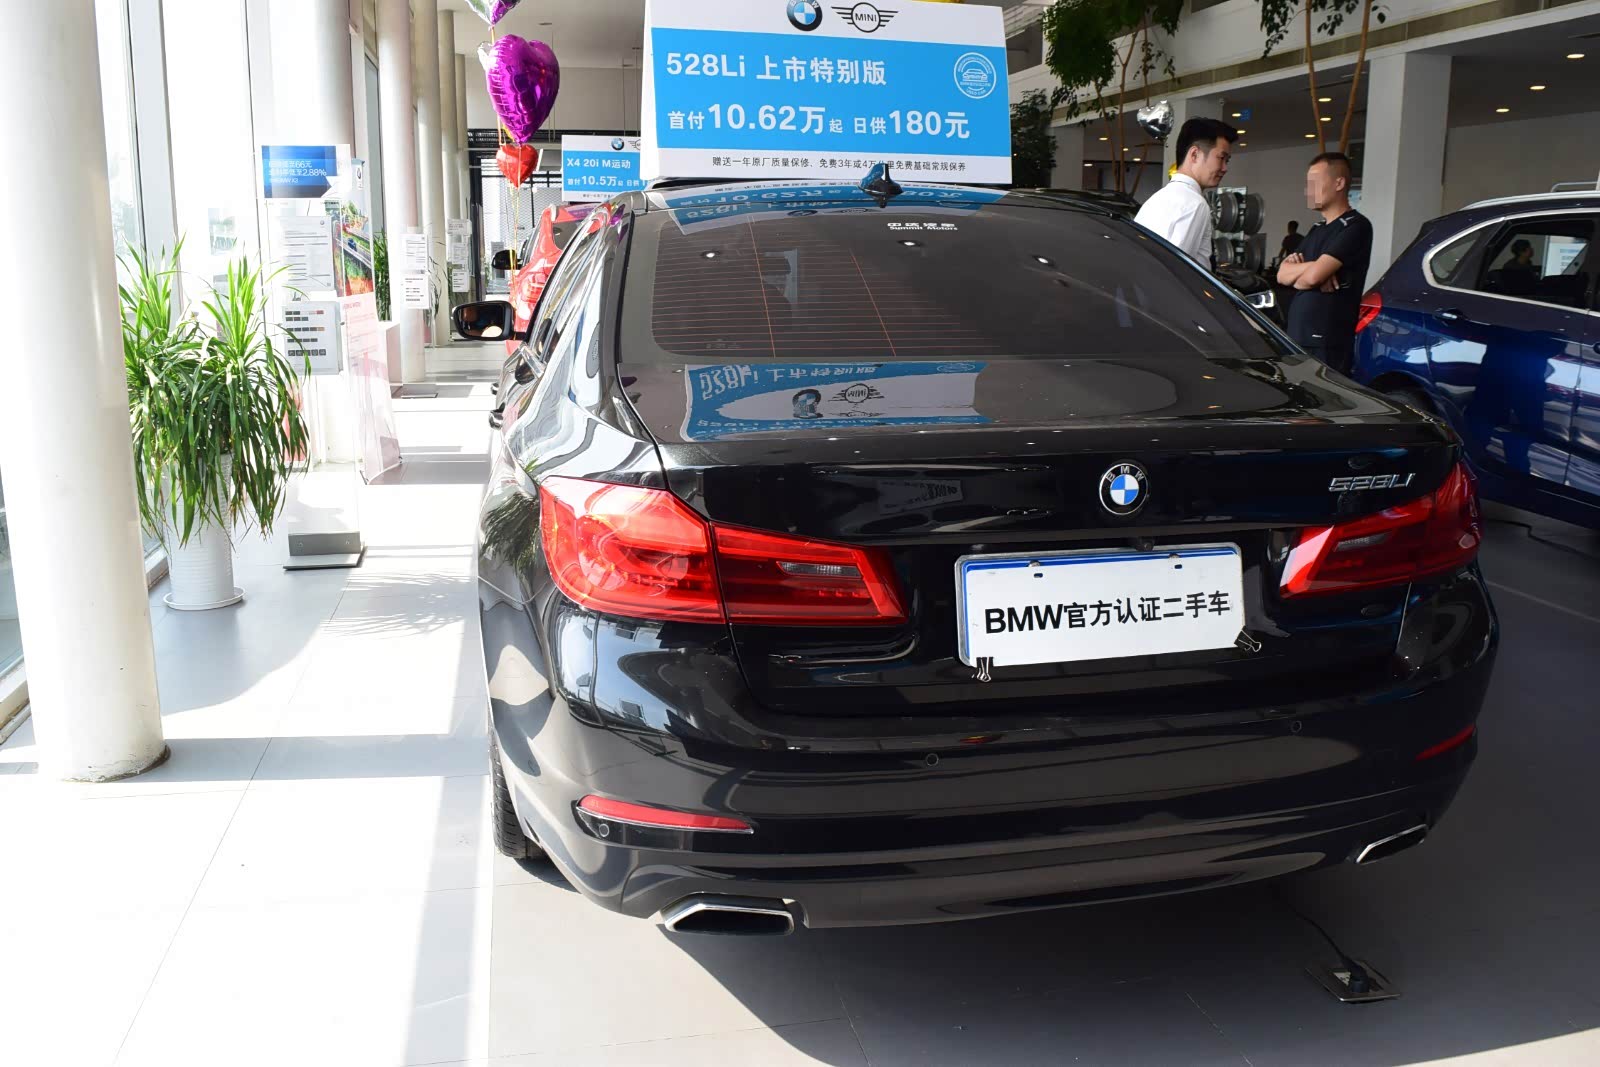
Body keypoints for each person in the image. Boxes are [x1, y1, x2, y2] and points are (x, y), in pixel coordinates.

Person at [1276, 152, 1373, 375]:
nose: (1307, 191)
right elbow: (1282, 274)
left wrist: (1307, 274)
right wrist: (1314, 269)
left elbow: (1312, 278)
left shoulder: (1356, 226)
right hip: (1298, 336)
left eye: (1314, 183)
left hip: (1327, 341)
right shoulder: (1317, 229)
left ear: (1339, 183)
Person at [1133, 117, 1238, 265]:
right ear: (1194, 154)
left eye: (1227, 161)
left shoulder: (1156, 199)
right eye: (1221, 158)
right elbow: (1176, 270)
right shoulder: (1195, 204)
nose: (1224, 168)